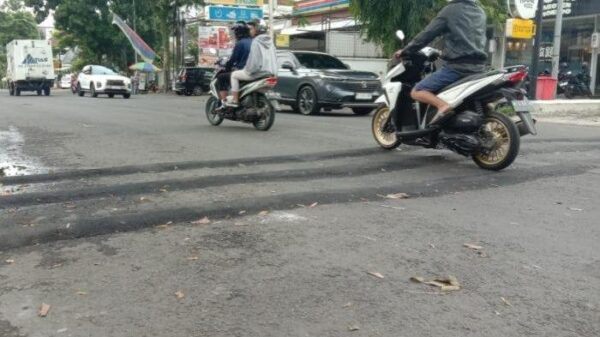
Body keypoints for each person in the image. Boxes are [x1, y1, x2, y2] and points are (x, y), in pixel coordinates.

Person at [399, 0, 487, 126]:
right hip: (479, 68)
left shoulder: (451, 10)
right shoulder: (480, 11)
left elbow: (427, 34)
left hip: (457, 68)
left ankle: (442, 105)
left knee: (417, 91)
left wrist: (405, 51)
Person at [227, 20, 278, 107]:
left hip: (257, 73)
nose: (250, 31)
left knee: (234, 75)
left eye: (251, 29)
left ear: (257, 29)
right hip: (270, 73)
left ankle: (235, 100)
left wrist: (248, 70)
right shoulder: (271, 42)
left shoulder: (256, 42)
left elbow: (254, 61)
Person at [216, 22, 253, 107]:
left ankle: (224, 102)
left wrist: (226, 68)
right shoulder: (253, 41)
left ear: (238, 32)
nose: (234, 34)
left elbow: (233, 59)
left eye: (235, 32)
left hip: (244, 71)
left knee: (221, 77)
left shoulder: (240, 43)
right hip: (255, 70)